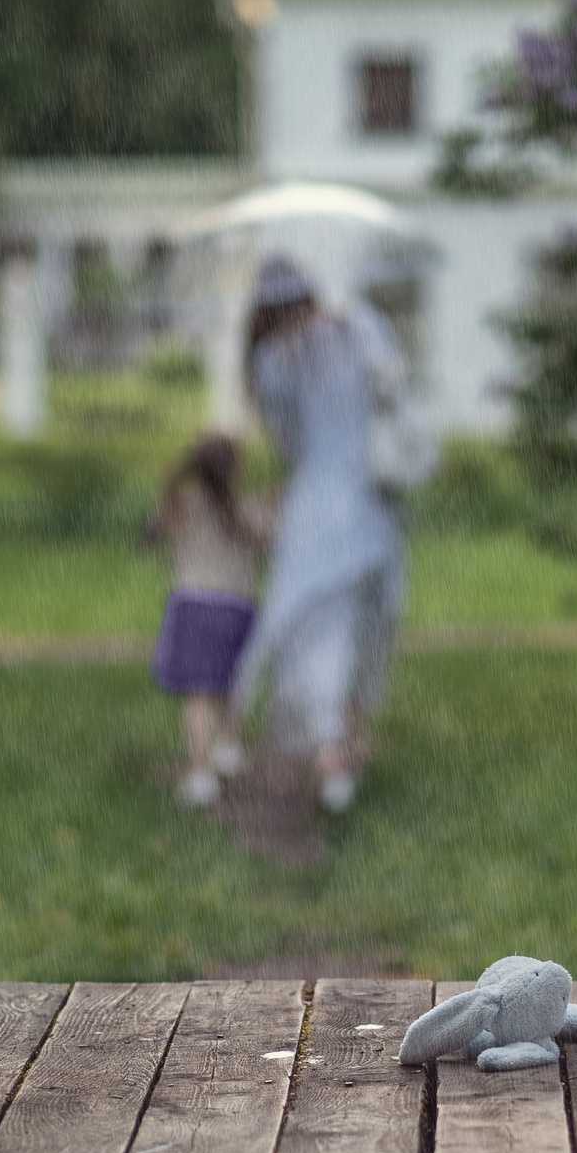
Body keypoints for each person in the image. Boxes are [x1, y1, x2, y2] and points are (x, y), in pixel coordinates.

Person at [230, 253, 416, 814]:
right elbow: (396, 396)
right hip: (375, 505)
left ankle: (329, 751)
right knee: (368, 626)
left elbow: (290, 446)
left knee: (311, 630)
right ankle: (346, 743)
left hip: (316, 510)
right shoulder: (362, 329)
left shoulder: (270, 361)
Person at [146, 431, 269, 807]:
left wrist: (171, 487)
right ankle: (228, 749)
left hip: (194, 605)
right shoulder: (249, 509)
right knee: (228, 681)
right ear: (237, 470)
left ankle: (201, 777)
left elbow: (149, 537)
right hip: (238, 608)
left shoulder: (180, 505)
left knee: (199, 695)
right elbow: (271, 544)